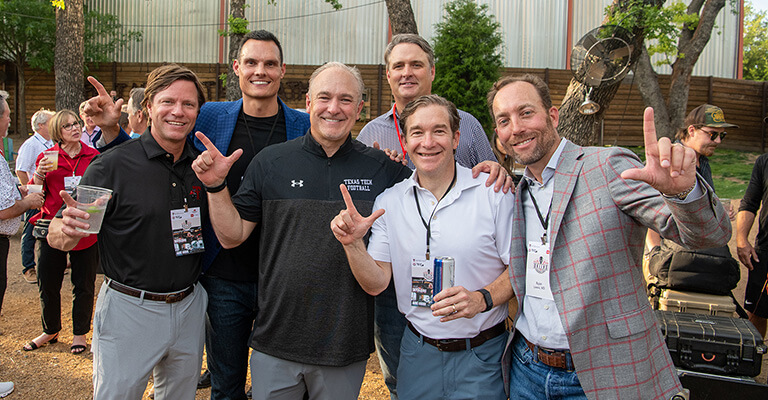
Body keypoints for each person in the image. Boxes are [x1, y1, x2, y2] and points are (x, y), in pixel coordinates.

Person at [488, 74, 730, 399]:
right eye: (504, 120)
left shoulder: (607, 167)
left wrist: (684, 193)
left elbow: (707, 236)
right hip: (526, 369)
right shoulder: (520, 190)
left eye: (526, 112)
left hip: (600, 373)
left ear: (553, 115)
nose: (515, 128)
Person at [192, 62, 411, 400]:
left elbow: (432, 196)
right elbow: (231, 236)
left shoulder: (384, 170)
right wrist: (216, 186)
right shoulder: (270, 161)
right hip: (275, 340)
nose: (333, 108)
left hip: (343, 345)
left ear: (360, 109)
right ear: (308, 103)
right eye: (324, 97)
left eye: (345, 99)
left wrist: (485, 172)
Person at [331, 95, 514, 399]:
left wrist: (482, 299)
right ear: (405, 139)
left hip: (483, 353)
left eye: (439, 131)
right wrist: (352, 246)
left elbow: (519, 268)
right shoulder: (389, 202)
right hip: (418, 352)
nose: (428, 142)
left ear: (456, 138)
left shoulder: (493, 193)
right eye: (417, 132)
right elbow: (376, 283)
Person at [47, 64, 209, 399]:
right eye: (168, 102)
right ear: (149, 106)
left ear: (197, 111)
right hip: (130, 309)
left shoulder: (202, 167)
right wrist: (66, 230)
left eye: (188, 104)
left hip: (190, 305)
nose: (178, 112)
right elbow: (62, 232)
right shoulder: (113, 166)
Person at [190, 30, 310, 400]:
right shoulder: (210, 117)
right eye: (252, 62)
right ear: (236, 68)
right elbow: (164, 141)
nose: (261, 71)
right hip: (224, 273)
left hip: (283, 277)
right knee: (226, 386)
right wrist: (111, 131)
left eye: (270, 63)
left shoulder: (303, 126)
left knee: (281, 384)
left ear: (282, 70)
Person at [24, 109, 100, 355]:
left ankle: (80, 333)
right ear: (58, 132)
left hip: (84, 227)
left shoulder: (94, 156)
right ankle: (51, 330)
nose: (75, 128)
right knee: (48, 282)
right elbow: (33, 197)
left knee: (84, 283)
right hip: (51, 228)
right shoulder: (47, 158)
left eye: (76, 123)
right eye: (68, 126)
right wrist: (38, 174)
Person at [646, 104, 738, 248]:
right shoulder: (668, 159)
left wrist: (718, 211)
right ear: (691, 130)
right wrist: (654, 254)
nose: (718, 141)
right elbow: (651, 213)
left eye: (722, 135)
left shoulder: (702, 161)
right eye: (712, 134)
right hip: (674, 253)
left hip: (700, 247)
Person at [0, 91, 44, 314]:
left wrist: (19, 190)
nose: (10, 119)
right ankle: (29, 267)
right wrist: (28, 201)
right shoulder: (29, 144)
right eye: (7, 115)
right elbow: (4, 209)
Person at [15, 109, 54, 284]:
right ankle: (28, 267)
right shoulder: (31, 144)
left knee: (48, 228)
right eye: (51, 123)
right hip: (35, 195)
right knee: (30, 231)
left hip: (48, 195)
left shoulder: (51, 143)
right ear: (40, 125)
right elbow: (21, 170)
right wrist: (33, 192)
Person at [736, 153, 768, 338]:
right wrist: (741, 239)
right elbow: (750, 202)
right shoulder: (764, 162)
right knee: (757, 311)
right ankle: (753, 362)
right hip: (766, 250)